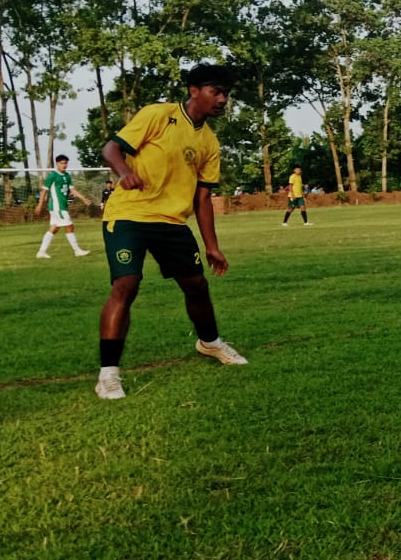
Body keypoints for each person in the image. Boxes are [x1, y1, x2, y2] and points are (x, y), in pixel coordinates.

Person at [93, 63, 246, 400]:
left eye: (225, 93)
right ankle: (108, 376)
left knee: (197, 286)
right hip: (129, 214)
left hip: (172, 222)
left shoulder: (209, 141)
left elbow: (203, 198)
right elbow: (111, 148)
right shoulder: (158, 115)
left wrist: (212, 246)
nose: (222, 99)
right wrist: (123, 173)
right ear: (194, 90)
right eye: (215, 91)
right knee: (126, 285)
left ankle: (211, 343)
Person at [34, 154, 93, 259]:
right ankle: (77, 250)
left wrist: (83, 198)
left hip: (62, 206)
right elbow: (44, 191)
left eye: (66, 163)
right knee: (70, 226)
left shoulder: (67, 176)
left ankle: (41, 252)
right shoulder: (53, 176)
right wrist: (40, 205)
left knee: (54, 228)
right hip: (58, 207)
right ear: (57, 163)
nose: (64, 165)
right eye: (62, 163)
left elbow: (72, 190)